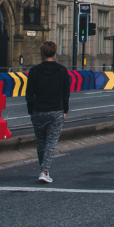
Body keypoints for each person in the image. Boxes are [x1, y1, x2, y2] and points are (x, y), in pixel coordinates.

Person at [26, 40, 69, 184]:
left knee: (41, 142)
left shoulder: (34, 71)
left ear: (42, 53)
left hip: (38, 110)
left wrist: (31, 110)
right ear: (54, 52)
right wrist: (65, 110)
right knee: (51, 142)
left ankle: (43, 169)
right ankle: (44, 171)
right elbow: (65, 94)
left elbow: (29, 94)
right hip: (56, 110)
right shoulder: (62, 70)